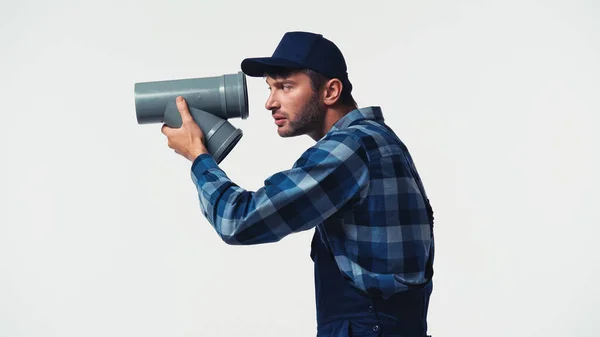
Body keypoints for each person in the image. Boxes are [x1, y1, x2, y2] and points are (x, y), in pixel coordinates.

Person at [161, 31, 435, 337]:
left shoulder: (351, 147)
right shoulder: (379, 141)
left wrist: (199, 157)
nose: (269, 102)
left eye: (285, 86)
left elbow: (238, 220)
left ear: (331, 91)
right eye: (270, 87)